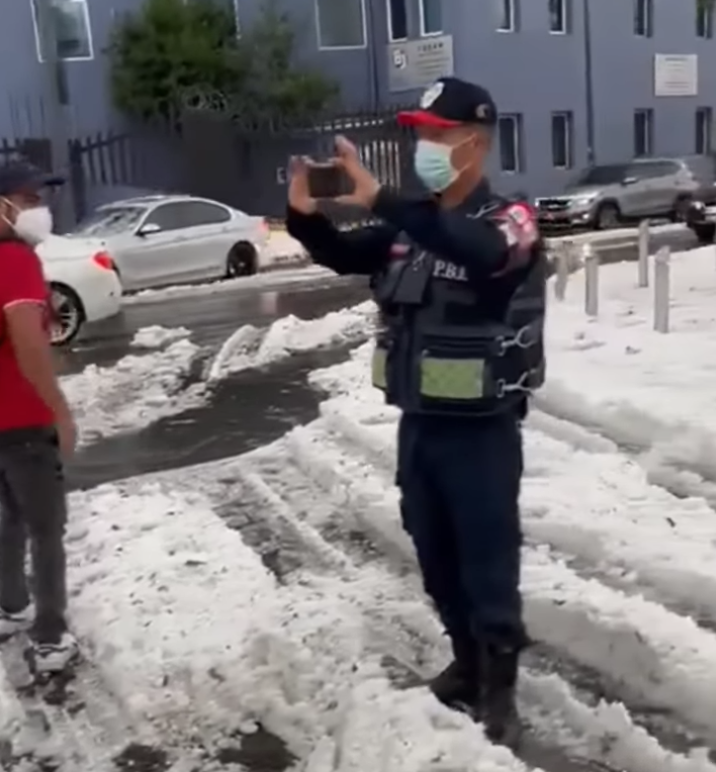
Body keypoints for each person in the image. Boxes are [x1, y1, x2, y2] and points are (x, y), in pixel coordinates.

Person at [286, 77, 547, 744]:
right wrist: (304, 215)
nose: (423, 145)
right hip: (421, 426)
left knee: (488, 558)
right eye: (420, 133)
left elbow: (483, 253)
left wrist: (383, 197)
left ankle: (499, 691)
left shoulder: (509, 221)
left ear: (475, 142)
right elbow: (344, 253)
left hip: (481, 433)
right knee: (434, 554)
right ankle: (464, 662)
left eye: (436, 134)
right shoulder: (409, 230)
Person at [0, 161, 79, 674]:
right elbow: (29, 343)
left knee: (8, 517)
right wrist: (60, 410)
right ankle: (50, 635)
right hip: (24, 420)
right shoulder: (14, 260)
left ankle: (9, 606)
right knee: (47, 527)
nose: (39, 210)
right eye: (28, 200)